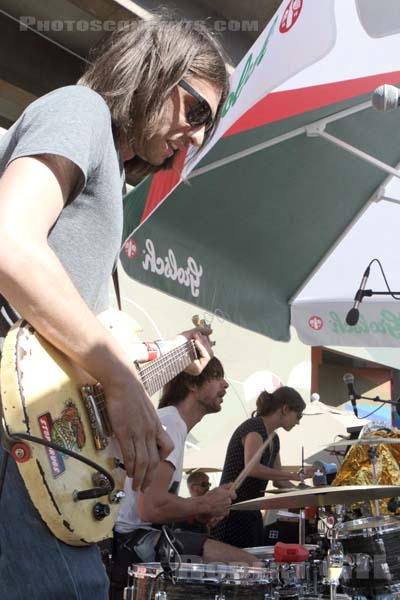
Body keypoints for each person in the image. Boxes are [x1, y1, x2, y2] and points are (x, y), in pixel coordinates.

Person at [0, 16, 230, 599]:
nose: (198, 136)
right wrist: (121, 383)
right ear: (154, 73)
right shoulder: (81, 111)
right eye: (196, 110)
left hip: (41, 456)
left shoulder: (104, 171)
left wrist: (130, 409)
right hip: (19, 451)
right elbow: (8, 240)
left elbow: (73, 339)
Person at [110, 357, 260, 599]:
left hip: (133, 537)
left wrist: (195, 511)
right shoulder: (169, 423)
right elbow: (150, 508)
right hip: (129, 542)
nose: (225, 385)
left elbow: (150, 501)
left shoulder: (171, 422)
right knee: (250, 566)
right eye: (216, 376)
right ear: (192, 382)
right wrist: (205, 503)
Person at [212, 387, 316, 548]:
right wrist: (294, 476)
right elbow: (252, 468)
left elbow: (278, 480)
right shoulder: (254, 427)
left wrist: (306, 495)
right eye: (298, 415)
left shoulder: (273, 438)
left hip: (252, 511)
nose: (298, 421)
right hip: (232, 511)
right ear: (285, 409)